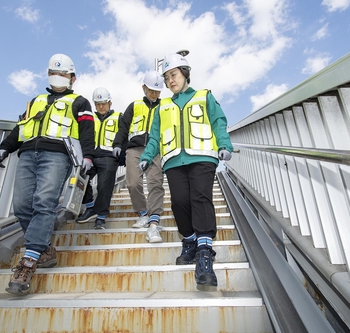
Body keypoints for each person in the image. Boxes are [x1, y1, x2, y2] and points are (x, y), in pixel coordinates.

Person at [0, 53, 96, 295]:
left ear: (73, 77)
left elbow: (87, 131)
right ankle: (45, 249)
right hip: (28, 153)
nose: (57, 78)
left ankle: (28, 263)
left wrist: (88, 157)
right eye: (54, 73)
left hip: (57, 155)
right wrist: (5, 147)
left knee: (44, 202)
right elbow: (21, 127)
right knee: (21, 205)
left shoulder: (80, 102)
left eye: (63, 74)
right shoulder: (36, 100)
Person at [139, 53, 233, 287]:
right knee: (180, 203)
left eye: (174, 75)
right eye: (167, 77)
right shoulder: (163, 106)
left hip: (202, 157)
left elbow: (218, 121)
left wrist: (224, 145)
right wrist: (147, 156)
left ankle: (204, 254)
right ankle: (189, 240)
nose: (171, 81)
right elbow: (155, 136)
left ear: (185, 74)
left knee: (200, 199)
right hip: (173, 160)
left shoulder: (204, 96)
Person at [112, 71, 165, 243]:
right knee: (133, 183)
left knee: (155, 183)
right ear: (143, 88)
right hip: (134, 149)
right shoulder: (134, 106)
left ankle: (154, 217)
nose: (154, 94)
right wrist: (118, 145)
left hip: (155, 149)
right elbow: (123, 128)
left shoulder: (165, 106)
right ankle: (143, 213)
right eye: (151, 90)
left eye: (157, 91)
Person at [75, 87, 123, 230]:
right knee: (80, 180)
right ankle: (90, 207)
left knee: (104, 187)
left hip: (109, 156)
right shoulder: (90, 118)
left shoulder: (119, 116)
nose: (101, 106)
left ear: (110, 103)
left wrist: (121, 152)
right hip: (90, 155)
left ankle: (100, 217)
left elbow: (123, 135)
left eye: (104, 103)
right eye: (98, 104)